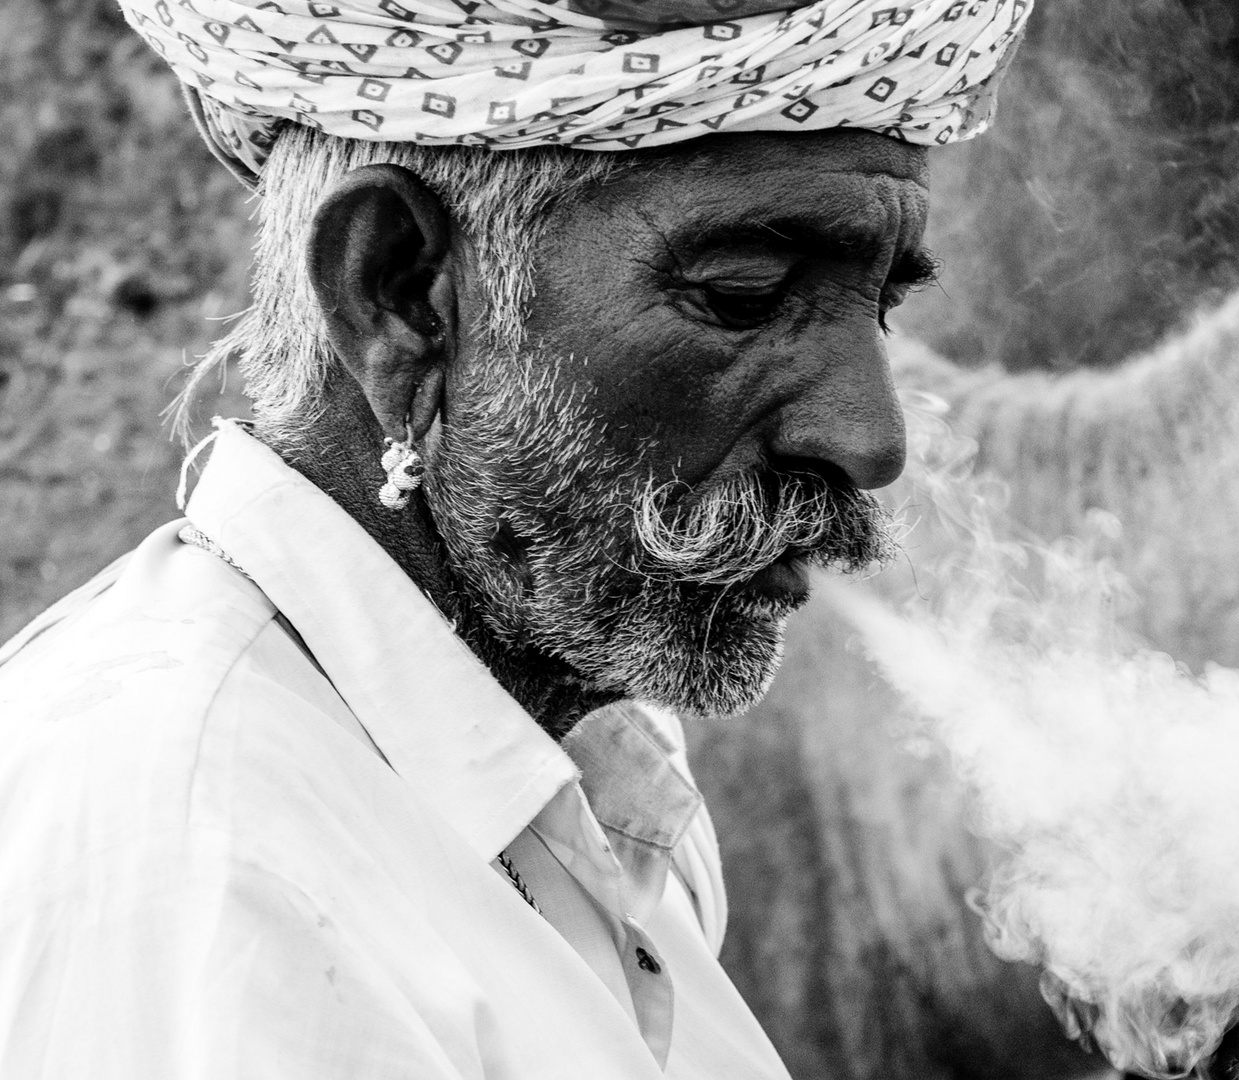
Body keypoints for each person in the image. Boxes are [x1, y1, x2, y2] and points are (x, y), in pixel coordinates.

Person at [0, 0, 1027, 1076]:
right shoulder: (201, 860)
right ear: (401, 298)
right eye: (746, 295)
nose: (871, 439)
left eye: (879, 308)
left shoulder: (594, 779)